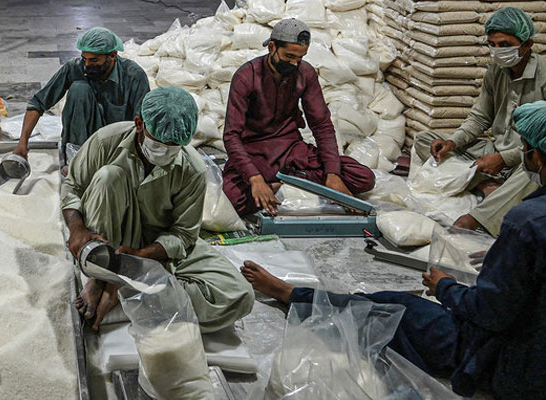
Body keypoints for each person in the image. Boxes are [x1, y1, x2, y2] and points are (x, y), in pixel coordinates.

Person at [240, 101, 546, 399]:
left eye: (524, 147)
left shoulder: (525, 222)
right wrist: (504, 258)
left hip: (514, 362)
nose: (521, 154)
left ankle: (292, 294)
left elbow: (490, 313)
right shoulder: (529, 224)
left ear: (538, 156)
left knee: (396, 307)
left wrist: (446, 287)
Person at [61, 86, 254, 332]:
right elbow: (73, 186)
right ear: (139, 124)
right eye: (159, 141)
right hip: (107, 237)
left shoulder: (192, 168)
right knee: (109, 177)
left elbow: (184, 234)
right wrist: (77, 229)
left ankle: (123, 291)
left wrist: (141, 259)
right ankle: (102, 275)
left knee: (238, 295)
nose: (165, 150)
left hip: (155, 244)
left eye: (174, 145)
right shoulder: (106, 141)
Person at [413, 7, 546, 237]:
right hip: (496, 148)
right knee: (426, 140)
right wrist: (453, 142)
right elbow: (480, 116)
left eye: (505, 45)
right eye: (492, 44)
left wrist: (504, 158)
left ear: (527, 44)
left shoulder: (544, 74)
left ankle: (479, 217)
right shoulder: (496, 70)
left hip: (528, 156)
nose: (497, 51)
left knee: (535, 174)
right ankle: (488, 186)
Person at [222, 18, 375, 217]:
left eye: (300, 58)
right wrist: (255, 178)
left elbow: (321, 125)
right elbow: (231, 136)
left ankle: (283, 181)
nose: (294, 63)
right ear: (272, 47)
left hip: (292, 151)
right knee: (233, 199)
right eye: (289, 56)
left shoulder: (306, 73)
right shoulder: (246, 76)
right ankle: (287, 181)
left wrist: (333, 174)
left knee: (363, 178)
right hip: (255, 152)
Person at [13, 27, 150, 165]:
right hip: (84, 140)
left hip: (117, 145)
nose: (87, 65)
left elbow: (144, 124)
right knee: (79, 90)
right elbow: (38, 103)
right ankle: (76, 161)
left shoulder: (133, 76)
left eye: (94, 60)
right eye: (84, 59)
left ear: (112, 55)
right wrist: (23, 142)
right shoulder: (75, 68)